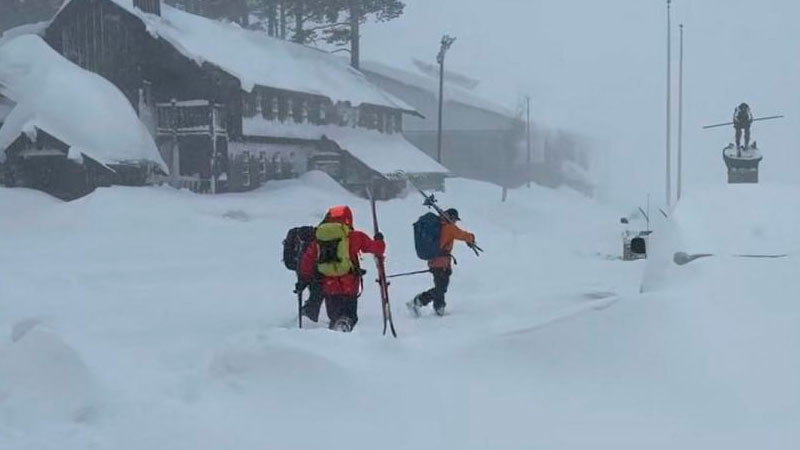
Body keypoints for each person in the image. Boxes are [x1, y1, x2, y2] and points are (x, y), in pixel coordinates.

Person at [298, 205, 385, 332]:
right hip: (350, 284)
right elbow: (378, 249)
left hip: (329, 285)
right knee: (350, 315)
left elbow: (307, 261)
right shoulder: (354, 236)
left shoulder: (319, 238)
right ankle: (345, 328)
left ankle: (334, 338)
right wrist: (379, 240)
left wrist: (303, 279)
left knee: (334, 315)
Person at [407, 208, 476, 317]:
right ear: (452, 218)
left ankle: (438, 307)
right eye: (455, 220)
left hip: (434, 261)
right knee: (440, 288)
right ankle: (420, 302)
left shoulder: (440, 225)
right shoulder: (449, 228)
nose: (455, 222)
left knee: (440, 287)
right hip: (442, 263)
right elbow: (462, 234)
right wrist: (472, 238)